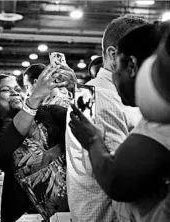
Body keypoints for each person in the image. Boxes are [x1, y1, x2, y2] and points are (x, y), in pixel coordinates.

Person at [69, 22, 170, 221]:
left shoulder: (159, 114)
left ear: (131, 65)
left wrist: (93, 142)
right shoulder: (96, 95)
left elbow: (118, 179)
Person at [0, 65, 76, 221]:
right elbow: (4, 146)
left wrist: (73, 88)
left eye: (17, 88)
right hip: (23, 214)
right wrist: (34, 98)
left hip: (66, 211)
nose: (15, 92)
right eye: (6, 90)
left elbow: (82, 120)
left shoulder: (49, 113)